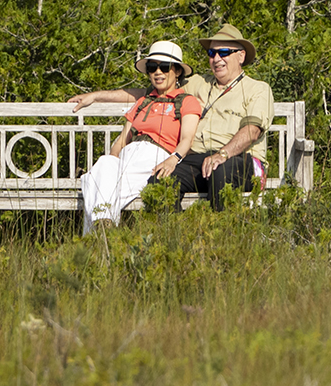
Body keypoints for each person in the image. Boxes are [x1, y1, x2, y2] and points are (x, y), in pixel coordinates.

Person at [69, 24, 272, 211]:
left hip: (240, 160)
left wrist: (223, 154)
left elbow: (252, 131)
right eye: (212, 53)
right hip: (200, 159)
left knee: (222, 171)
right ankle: (176, 237)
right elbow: (151, 92)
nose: (217, 58)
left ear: (241, 56)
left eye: (224, 52)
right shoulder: (199, 84)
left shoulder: (257, 89)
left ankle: (220, 238)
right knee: (162, 178)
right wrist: (95, 96)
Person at [78, 41, 202, 231]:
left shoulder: (186, 101)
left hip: (155, 158)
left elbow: (187, 138)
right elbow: (122, 141)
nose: (158, 72)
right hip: (129, 157)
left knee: (93, 185)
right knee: (104, 164)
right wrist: (112, 163)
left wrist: (173, 159)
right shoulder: (143, 102)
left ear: (177, 71)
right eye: (152, 67)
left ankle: (97, 237)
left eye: (164, 67)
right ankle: (104, 225)